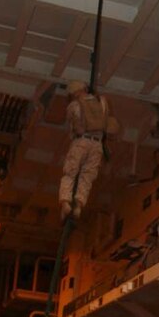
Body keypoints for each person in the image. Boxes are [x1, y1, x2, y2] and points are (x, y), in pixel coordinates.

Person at [59, 80, 109, 222]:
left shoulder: (74, 105)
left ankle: (65, 202)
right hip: (97, 144)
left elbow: (71, 123)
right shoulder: (102, 102)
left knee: (70, 173)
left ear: (73, 93)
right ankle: (79, 205)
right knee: (87, 176)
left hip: (80, 142)